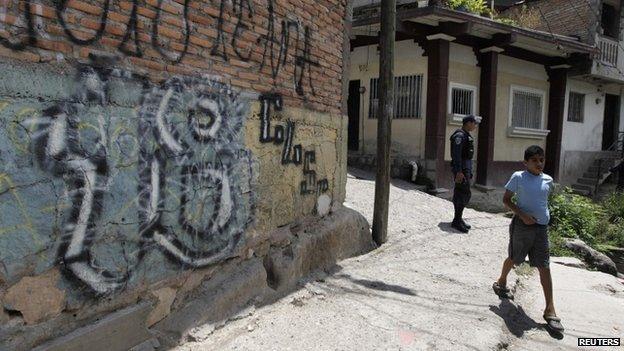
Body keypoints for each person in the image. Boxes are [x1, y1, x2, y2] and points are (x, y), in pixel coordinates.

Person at [492, 145, 564, 333]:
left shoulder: (548, 180)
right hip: (522, 226)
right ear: (526, 163)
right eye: (534, 160)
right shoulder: (518, 177)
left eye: (542, 160)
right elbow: (506, 200)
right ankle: (501, 280)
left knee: (544, 266)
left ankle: (550, 309)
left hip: (541, 229)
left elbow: (543, 202)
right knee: (515, 259)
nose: (539, 163)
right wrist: (522, 215)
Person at [450, 115, 480, 233]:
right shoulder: (460, 136)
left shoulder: (466, 135)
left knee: (462, 193)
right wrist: (459, 172)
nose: (475, 126)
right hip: (461, 169)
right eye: (474, 123)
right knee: (463, 193)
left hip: (465, 169)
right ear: (468, 123)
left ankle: (458, 218)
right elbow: (456, 155)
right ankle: (456, 221)